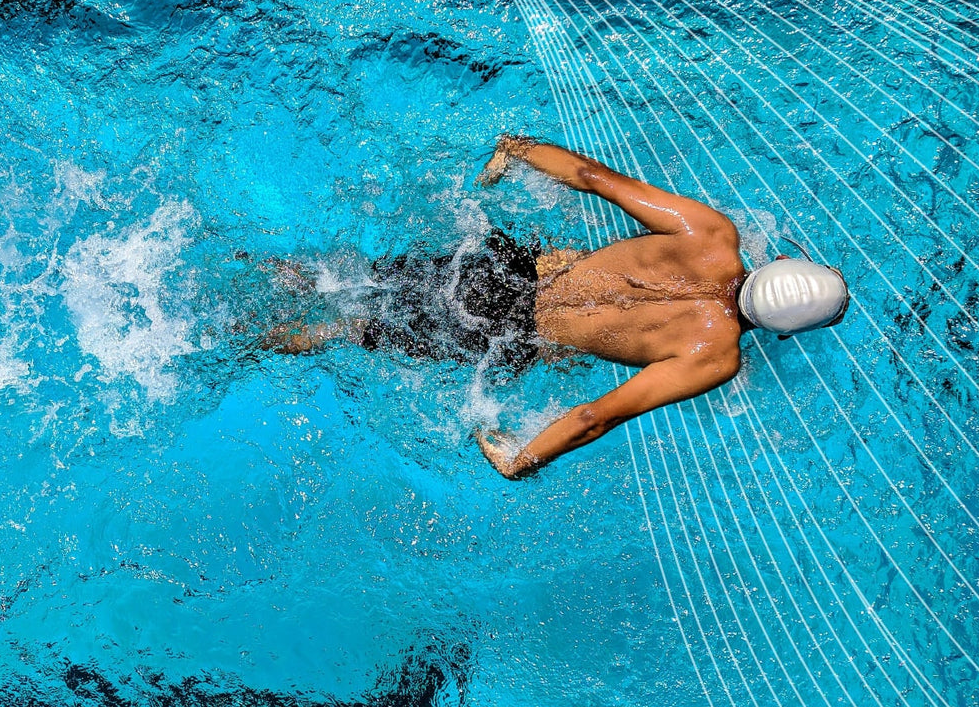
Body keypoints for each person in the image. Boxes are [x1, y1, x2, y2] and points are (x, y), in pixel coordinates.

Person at [263, 134, 849, 479]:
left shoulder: (711, 234)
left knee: (348, 279)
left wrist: (519, 150)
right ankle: (248, 338)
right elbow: (599, 415)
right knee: (350, 330)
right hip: (507, 333)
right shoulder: (715, 357)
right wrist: (524, 459)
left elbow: (594, 177)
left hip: (503, 268)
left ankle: (263, 269)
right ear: (785, 332)